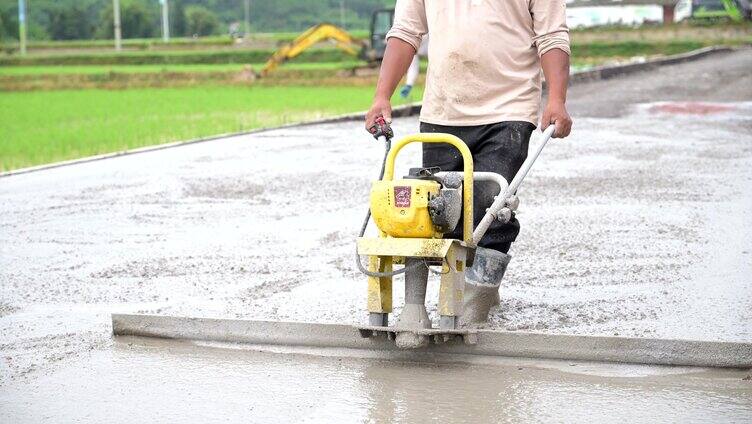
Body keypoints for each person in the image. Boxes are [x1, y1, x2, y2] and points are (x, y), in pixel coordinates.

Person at [365, 0, 573, 326]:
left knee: (492, 209)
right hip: (443, 108)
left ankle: (471, 315)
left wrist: (557, 99)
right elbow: (406, 32)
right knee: (432, 213)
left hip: (510, 108)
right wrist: (382, 95)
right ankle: (417, 310)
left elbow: (552, 36)